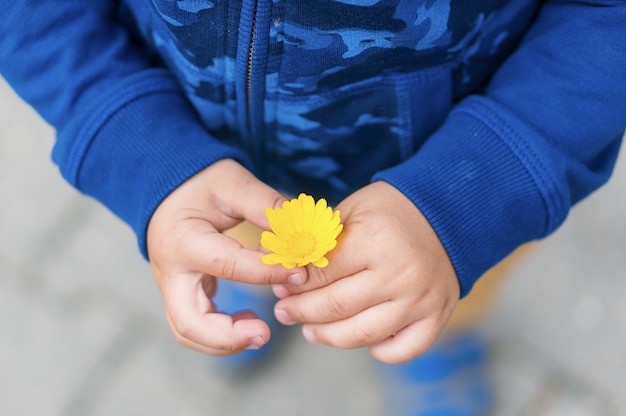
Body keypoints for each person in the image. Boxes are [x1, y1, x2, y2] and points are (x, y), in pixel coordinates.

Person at [1, 1, 625, 414]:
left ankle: (437, 334)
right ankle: (259, 288)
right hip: (209, 155)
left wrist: (470, 197)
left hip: (444, 163)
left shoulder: (459, 198)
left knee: (445, 285)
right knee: (246, 245)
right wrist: (138, 144)